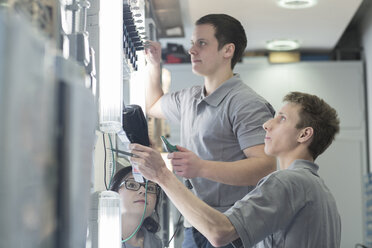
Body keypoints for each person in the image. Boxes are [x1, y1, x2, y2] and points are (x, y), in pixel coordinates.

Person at [130, 91, 342, 247]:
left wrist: (162, 175)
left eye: (282, 119)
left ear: (304, 134)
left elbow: (219, 231)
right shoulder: (322, 193)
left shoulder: (288, 182)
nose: (267, 124)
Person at [145, 13, 276, 247]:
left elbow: (265, 166)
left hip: (230, 231)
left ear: (227, 51)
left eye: (202, 43)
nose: (192, 50)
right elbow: (153, 106)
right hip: (192, 226)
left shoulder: (246, 103)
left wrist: (201, 167)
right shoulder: (189, 98)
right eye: (192, 44)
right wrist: (155, 65)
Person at [109, 166, 163, 248]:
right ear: (115, 193)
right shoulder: (99, 237)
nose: (143, 191)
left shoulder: (155, 243)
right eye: (132, 185)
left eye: (150, 188)